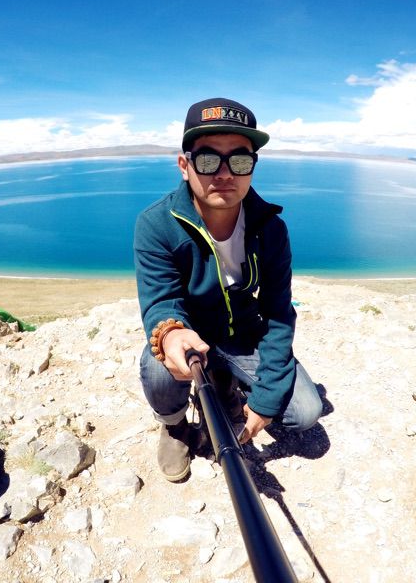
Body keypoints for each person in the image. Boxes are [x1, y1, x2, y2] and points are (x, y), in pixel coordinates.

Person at [134, 97, 323, 481]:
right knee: (158, 368)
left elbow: (278, 311)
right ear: (185, 166)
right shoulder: (156, 224)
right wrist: (170, 334)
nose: (224, 173)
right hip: (190, 333)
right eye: (208, 160)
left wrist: (265, 402)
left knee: (304, 412)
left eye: (239, 160)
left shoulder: (270, 228)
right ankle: (175, 425)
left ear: (253, 165)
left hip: (244, 333)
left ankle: (225, 381)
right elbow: (161, 301)